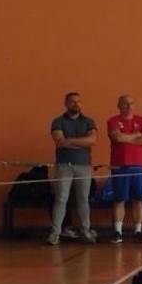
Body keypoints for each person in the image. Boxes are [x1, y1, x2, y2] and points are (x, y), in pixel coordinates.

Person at [48, 91, 98, 245]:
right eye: (72, 101)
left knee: (83, 199)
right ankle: (55, 233)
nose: (76, 104)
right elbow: (60, 142)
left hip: (84, 166)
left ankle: (86, 230)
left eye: (78, 101)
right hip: (64, 166)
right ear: (66, 104)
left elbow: (92, 140)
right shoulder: (58, 121)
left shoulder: (89, 121)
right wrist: (82, 142)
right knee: (61, 198)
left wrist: (69, 141)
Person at [105, 94, 142, 244]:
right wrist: (137, 135)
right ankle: (118, 231)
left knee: (139, 198)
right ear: (119, 105)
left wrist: (127, 138)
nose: (129, 106)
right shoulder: (113, 121)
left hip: (138, 165)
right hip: (120, 165)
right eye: (125, 103)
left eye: (131, 103)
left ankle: (138, 230)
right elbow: (117, 138)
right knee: (119, 199)